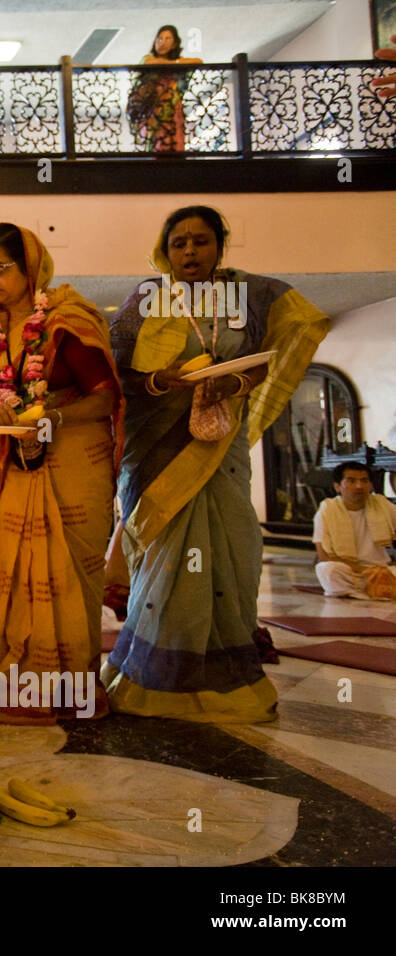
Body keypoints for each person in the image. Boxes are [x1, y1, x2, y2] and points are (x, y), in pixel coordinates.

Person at [104, 205, 329, 722]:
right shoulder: (147, 299)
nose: (190, 252)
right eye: (179, 242)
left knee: (233, 548)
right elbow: (118, 375)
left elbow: (284, 338)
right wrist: (165, 382)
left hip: (219, 446)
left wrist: (238, 382)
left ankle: (228, 677)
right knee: (166, 561)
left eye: (200, 241)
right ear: (165, 249)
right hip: (160, 450)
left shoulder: (248, 296)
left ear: (220, 244)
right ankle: (151, 679)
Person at [0, 223, 123, 724]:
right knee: (7, 571)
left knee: (69, 578)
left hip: (71, 465)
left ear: (31, 268)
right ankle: (15, 685)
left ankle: (72, 690)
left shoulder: (70, 320)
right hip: (8, 468)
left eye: (1, 268)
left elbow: (105, 397)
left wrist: (55, 418)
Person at [313, 461, 396, 599]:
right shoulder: (327, 510)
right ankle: (378, 590)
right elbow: (323, 556)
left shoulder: (381, 505)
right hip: (351, 571)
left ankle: (367, 591)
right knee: (328, 571)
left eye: (364, 481)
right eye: (351, 481)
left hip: (383, 570)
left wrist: (381, 571)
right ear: (337, 486)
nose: (359, 486)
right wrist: (367, 571)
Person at [128, 25, 202, 152]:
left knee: (174, 137)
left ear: (174, 44)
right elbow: (150, 63)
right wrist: (175, 64)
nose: (162, 43)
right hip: (154, 107)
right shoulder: (149, 59)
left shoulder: (179, 61)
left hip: (172, 106)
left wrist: (175, 63)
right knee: (156, 138)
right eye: (160, 39)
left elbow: (198, 61)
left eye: (168, 39)